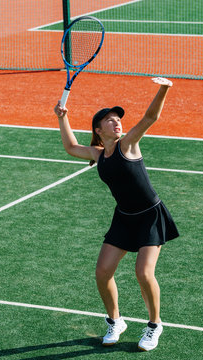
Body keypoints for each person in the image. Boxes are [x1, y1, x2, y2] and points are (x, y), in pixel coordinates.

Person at [53, 77, 179, 352]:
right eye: (110, 120)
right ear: (99, 131)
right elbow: (72, 147)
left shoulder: (128, 145)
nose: (117, 123)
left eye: (118, 119)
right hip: (124, 217)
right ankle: (116, 321)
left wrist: (164, 88)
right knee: (102, 272)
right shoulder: (99, 154)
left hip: (149, 216)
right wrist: (63, 118)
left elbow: (150, 117)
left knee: (144, 273)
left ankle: (154, 325)